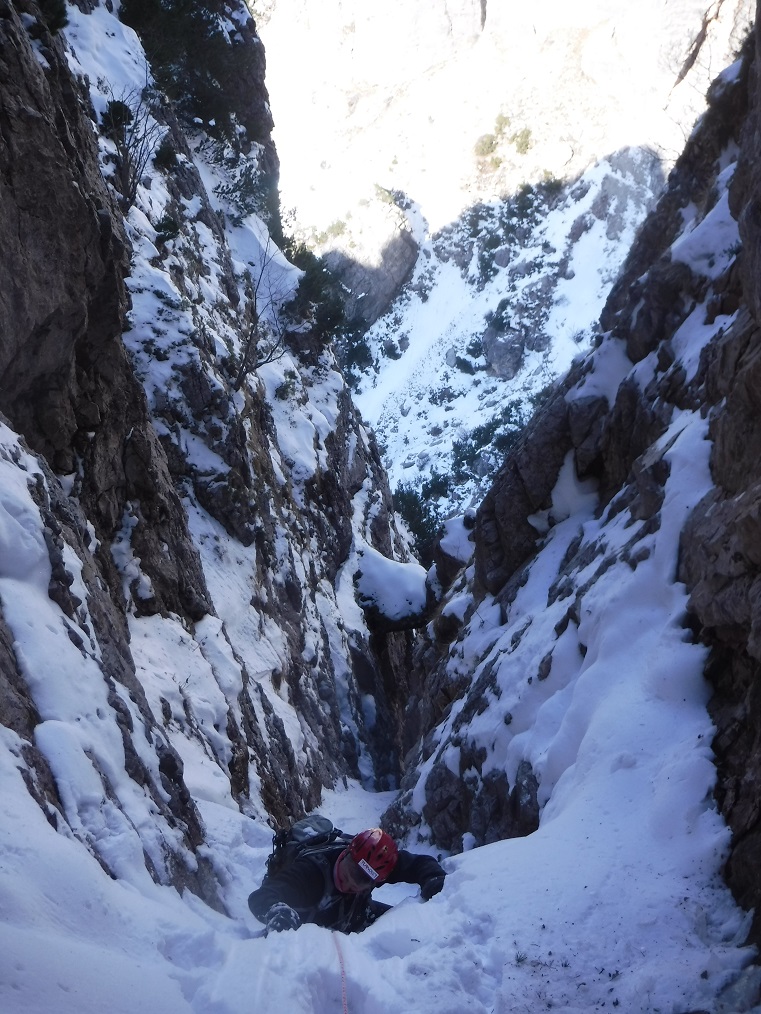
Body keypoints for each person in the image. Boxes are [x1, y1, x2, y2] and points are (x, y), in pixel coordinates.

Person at [248, 827, 446, 935]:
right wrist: (278, 912)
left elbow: (418, 863)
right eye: (350, 868)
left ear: (375, 882)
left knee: (405, 928)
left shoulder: (375, 864)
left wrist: (433, 878)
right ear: (346, 852)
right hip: (309, 922)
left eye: (361, 880)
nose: (349, 880)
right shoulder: (310, 872)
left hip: (352, 913)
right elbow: (262, 896)